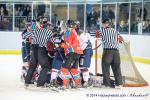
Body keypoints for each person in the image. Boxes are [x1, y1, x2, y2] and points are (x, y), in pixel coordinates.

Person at [23, 21, 55, 87]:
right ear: (47, 26)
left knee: (32, 66)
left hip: (33, 49)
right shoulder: (49, 32)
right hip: (41, 49)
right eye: (49, 26)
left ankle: (27, 82)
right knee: (45, 66)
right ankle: (40, 84)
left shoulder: (36, 30)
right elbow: (53, 41)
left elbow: (24, 35)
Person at [97, 18, 123, 88]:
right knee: (117, 67)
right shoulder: (116, 31)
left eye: (103, 24)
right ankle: (119, 84)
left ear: (105, 24)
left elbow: (95, 35)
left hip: (108, 51)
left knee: (105, 67)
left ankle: (107, 84)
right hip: (116, 52)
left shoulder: (102, 30)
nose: (103, 25)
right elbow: (121, 40)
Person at [60, 20, 83, 88]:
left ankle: (65, 85)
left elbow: (68, 44)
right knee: (74, 69)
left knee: (64, 68)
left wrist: (61, 45)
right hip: (78, 52)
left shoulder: (68, 31)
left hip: (72, 52)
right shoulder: (74, 31)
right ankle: (78, 84)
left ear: (68, 25)